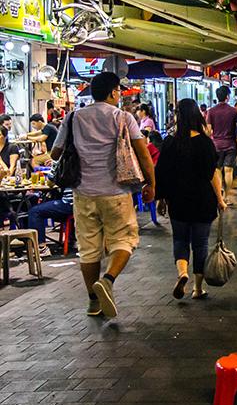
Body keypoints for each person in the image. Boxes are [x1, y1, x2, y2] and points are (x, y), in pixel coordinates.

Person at [51, 72, 156, 319]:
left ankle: (92, 302)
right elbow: (143, 155)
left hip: (83, 193)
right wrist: (151, 184)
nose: (119, 95)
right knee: (125, 240)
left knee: (88, 249)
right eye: (119, 91)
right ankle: (107, 281)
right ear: (112, 93)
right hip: (116, 192)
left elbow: (56, 153)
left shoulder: (74, 117)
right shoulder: (123, 118)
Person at [155, 99, 226, 301]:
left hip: (178, 200)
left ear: (178, 116)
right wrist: (220, 199)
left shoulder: (170, 142)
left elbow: (162, 173)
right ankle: (197, 288)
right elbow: (213, 174)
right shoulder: (205, 143)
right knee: (200, 244)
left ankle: (182, 272)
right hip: (203, 200)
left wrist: (161, 198)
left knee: (180, 239)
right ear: (197, 115)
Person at [27, 168, 73, 257]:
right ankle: (72, 239)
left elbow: (50, 183)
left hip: (70, 203)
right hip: (86, 201)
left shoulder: (62, 159)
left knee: (35, 211)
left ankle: (41, 248)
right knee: (34, 201)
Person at [205, 85, 237, 191]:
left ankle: (219, 194)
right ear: (227, 97)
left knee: (218, 170)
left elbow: (208, 131)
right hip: (231, 145)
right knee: (229, 171)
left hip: (216, 146)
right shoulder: (234, 111)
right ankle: (227, 197)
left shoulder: (211, 111)